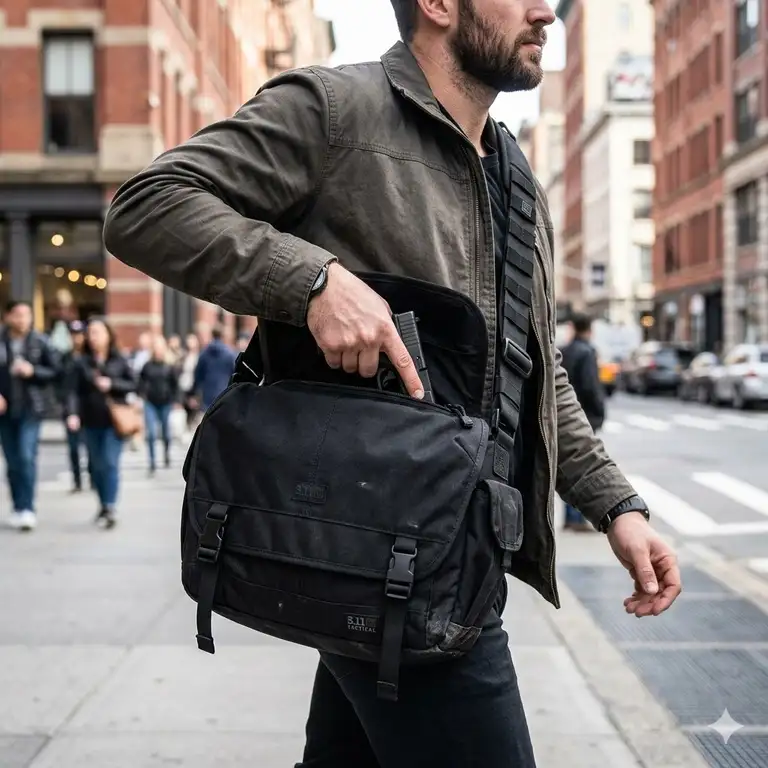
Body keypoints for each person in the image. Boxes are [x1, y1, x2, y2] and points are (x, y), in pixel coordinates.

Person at [103, 1, 683, 765]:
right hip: (398, 570)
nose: (546, 12)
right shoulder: (334, 108)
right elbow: (147, 207)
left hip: (437, 560)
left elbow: (535, 376)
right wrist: (315, 283)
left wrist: (616, 506)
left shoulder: (517, 180)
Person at [65, 317, 136, 529]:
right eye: (91, 333)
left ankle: (110, 506)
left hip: (114, 421)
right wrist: (73, 414)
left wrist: (111, 384)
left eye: (98, 332)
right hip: (90, 420)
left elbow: (134, 383)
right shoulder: (81, 362)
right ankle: (103, 504)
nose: (93, 337)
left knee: (110, 462)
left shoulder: (119, 359)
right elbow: (73, 391)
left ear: (108, 335)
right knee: (96, 466)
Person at [0, 301, 58, 531]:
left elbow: (55, 371)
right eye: (18, 315)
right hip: (5, 411)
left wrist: (33, 371)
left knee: (26, 456)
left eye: (27, 315)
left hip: (31, 409)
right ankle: (17, 506)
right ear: (8, 316)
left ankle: (27, 508)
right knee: (12, 461)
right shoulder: (1, 341)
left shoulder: (41, 342)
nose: (22, 319)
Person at [560, 312, 606, 532]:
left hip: (564, 412)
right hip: (582, 413)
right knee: (582, 464)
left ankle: (571, 517)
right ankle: (577, 518)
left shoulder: (565, 350)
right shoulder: (587, 352)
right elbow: (590, 386)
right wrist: (599, 410)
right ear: (590, 329)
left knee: (568, 463)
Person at [139, 335, 179, 474]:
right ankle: (152, 462)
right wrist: (142, 394)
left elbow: (175, 385)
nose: (158, 351)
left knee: (166, 432)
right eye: (156, 348)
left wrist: (176, 400)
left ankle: (166, 453)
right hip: (150, 402)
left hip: (165, 402)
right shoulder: (147, 366)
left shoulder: (169, 366)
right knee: (151, 433)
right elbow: (140, 382)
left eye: (160, 348)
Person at [59, 320, 89, 493]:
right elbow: (61, 383)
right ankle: (77, 480)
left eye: (79, 334)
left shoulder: (89, 357)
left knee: (90, 447)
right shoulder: (65, 357)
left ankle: (93, 476)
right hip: (69, 408)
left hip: (88, 409)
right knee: (73, 447)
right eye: (73, 335)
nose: (76, 338)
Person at [192, 327, 237, 411]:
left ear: (212, 335)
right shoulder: (230, 354)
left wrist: (195, 392)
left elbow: (198, 375)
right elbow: (235, 374)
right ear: (222, 336)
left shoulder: (204, 353)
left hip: (207, 394)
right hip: (224, 392)